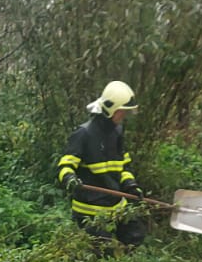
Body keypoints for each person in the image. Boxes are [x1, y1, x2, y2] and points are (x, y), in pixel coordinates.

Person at [57, 80, 146, 247]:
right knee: (103, 251)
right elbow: (65, 165)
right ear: (110, 109)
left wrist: (130, 185)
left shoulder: (117, 132)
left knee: (135, 236)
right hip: (90, 210)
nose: (123, 116)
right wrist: (70, 179)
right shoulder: (84, 134)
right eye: (121, 112)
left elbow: (123, 166)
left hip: (116, 205)